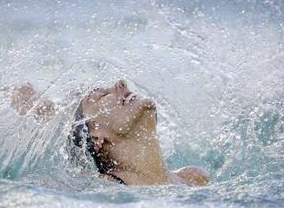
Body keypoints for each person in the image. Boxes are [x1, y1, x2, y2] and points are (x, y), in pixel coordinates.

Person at [67, 79, 210, 186]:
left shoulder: (195, 177)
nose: (121, 83)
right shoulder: (105, 186)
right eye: (102, 96)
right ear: (96, 137)